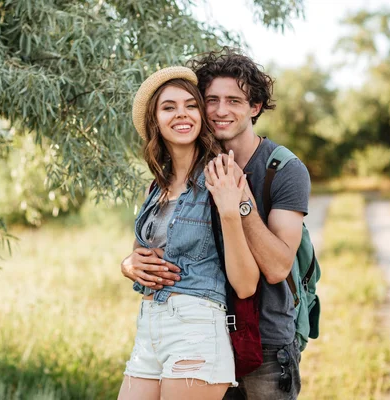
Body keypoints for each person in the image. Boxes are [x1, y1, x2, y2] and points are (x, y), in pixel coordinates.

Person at [122, 49, 311, 400]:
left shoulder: (281, 170)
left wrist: (237, 202)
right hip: (182, 328)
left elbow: (276, 268)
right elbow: (157, 250)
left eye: (234, 100)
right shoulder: (170, 180)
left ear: (254, 107)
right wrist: (129, 264)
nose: (221, 110)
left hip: (264, 339)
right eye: (211, 100)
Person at [118, 66, 261, 400]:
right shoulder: (157, 187)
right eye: (169, 107)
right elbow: (142, 259)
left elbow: (245, 283)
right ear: (156, 120)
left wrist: (229, 211)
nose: (181, 114)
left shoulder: (223, 173)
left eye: (190, 105)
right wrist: (128, 265)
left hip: (196, 328)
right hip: (149, 327)